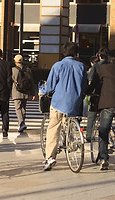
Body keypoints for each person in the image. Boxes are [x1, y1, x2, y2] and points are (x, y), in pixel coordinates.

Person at [39, 42, 87, 171]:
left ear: (63, 53)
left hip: (59, 102)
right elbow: (84, 86)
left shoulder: (58, 65)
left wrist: (42, 91)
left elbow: (50, 86)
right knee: (70, 124)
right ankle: (71, 143)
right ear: (76, 53)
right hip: (75, 103)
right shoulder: (81, 66)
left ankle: (50, 157)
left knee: (53, 128)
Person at [85, 47, 108, 142]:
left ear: (99, 56)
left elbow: (91, 79)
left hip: (97, 93)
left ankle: (89, 135)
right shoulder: (112, 65)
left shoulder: (96, 66)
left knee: (92, 116)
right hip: (108, 94)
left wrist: (87, 92)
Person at [11, 54, 36, 133]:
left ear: (15, 61)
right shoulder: (28, 70)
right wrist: (33, 93)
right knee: (23, 108)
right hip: (26, 91)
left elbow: (11, 80)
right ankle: (22, 123)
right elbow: (32, 82)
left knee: (18, 108)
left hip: (16, 91)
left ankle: (21, 123)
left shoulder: (13, 70)